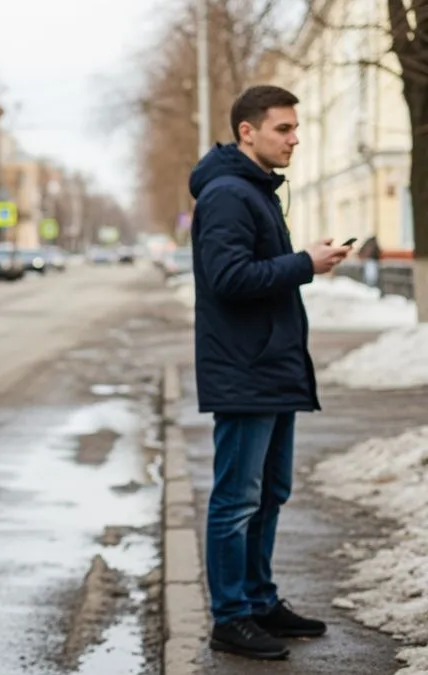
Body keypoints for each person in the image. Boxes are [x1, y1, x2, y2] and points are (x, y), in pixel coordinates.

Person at [187, 84, 351, 661]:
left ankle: (258, 600)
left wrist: (301, 263)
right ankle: (231, 616)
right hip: (245, 370)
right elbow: (230, 277)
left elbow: (257, 272)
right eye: (283, 128)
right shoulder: (230, 194)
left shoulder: (253, 190)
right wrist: (306, 262)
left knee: (270, 493)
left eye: (294, 127)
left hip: (270, 368)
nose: (295, 137)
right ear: (247, 131)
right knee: (237, 499)